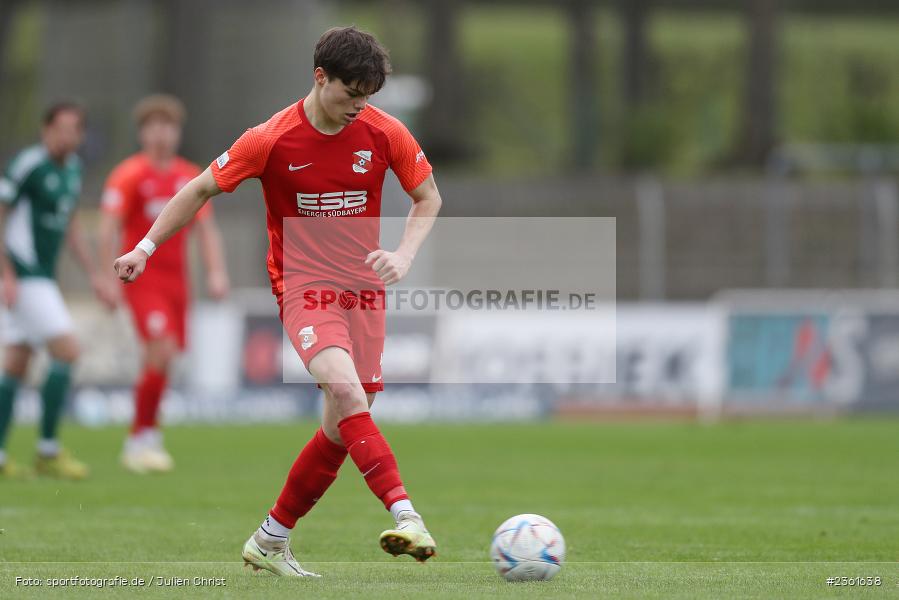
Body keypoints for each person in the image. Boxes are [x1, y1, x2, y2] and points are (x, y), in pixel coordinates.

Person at [113, 26, 442, 576]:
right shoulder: (269, 139)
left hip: (364, 294)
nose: (358, 107)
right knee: (347, 391)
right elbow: (199, 188)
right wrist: (144, 247)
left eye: (367, 97)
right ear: (320, 77)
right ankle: (407, 515)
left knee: (342, 427)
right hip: (304, 288)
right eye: (350, 94)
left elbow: (427, 196)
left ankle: (270, 539)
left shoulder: (384, 131)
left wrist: (404, 254)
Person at [98, 94, 229, 473]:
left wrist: (216, 272)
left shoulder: (189, 175)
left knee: (165, 358)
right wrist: (106, 279)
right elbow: (108, 227)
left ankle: (147, 434)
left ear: (178, 132)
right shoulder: (129, 175)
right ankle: (140, 440)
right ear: (142, 133)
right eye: (153, 126)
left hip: (177, 282)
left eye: (168, 126)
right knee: (161, 349)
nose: (161, 134)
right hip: (142, 280)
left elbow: (206, 230)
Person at [0, 101, 113, 479]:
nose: (67, 136)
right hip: (23, 275)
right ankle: (47, 450)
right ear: (45, 130)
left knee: (17, 361)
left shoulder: (73, 169)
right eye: (60, 128)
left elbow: (71, 228)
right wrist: (6, 274)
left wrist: (94, 274)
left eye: (74, 130)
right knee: (68, 351)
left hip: (41, 277)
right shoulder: (28, 165)